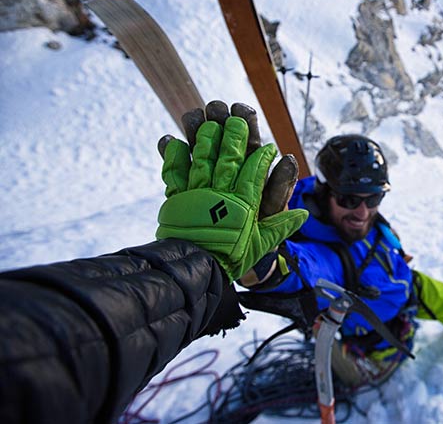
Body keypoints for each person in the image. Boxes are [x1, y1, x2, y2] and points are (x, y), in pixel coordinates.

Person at [0, 102, 307, 423]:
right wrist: (225, 262)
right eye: (341, 190)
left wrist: (194, 256)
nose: (349, 204)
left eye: (364, 198)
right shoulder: (303, 198)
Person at [238, 133, 443, 386]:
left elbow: (422, 290)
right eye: (349, 200)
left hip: (403, 295)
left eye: (374, 198)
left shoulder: (317, 205)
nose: (363, 213)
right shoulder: (322, 251)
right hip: (374, 348)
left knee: (427, 291)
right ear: (324, 192)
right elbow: (306, 267)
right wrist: (263, 265)